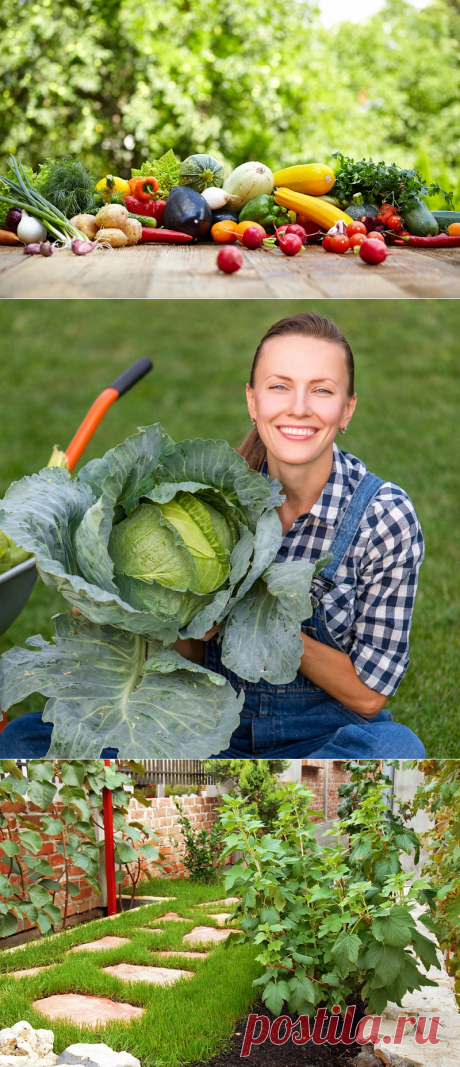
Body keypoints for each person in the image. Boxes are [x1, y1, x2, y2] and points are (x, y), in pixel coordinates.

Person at [175, 310, 425, 758]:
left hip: (324, 733)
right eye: (279, 386)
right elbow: (191, 655)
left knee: (396, 750)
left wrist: (253, 615)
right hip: (208, 725)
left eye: (322, 391)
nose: (299, 408)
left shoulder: (384, 517)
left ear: (346, 408)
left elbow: (369, 696)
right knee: (24, 740)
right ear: (253, 402)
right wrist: (174, 616)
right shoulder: (211, 501)